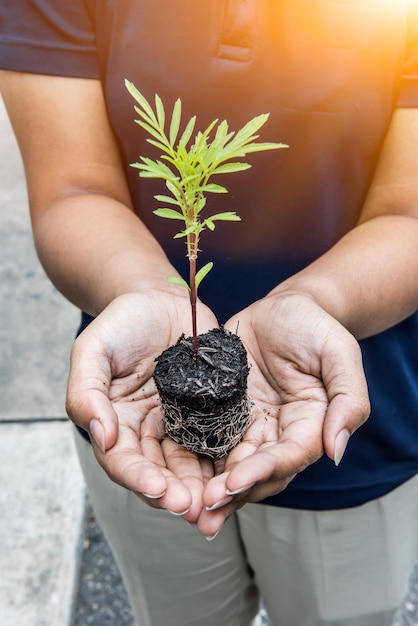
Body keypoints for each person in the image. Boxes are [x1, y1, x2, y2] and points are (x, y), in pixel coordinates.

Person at [1, 2, 418, 624]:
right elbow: (73, 188)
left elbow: (408, 210)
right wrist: (147, 289)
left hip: (355, 410)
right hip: (138, 398)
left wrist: (313, 304)